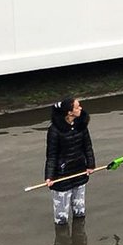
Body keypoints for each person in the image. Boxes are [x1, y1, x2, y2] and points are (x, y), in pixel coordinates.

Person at [44, 96, 95, 226]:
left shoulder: (81, 124)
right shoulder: (54, 130)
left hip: (80, 171)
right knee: (61, 219)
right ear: (69, 112)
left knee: (80, 213)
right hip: (61, 176)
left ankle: (80, 241)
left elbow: (87, 147)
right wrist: (49, 176)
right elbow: (51, 155)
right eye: (77, 107)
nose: (81, 109)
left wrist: (90, 165)